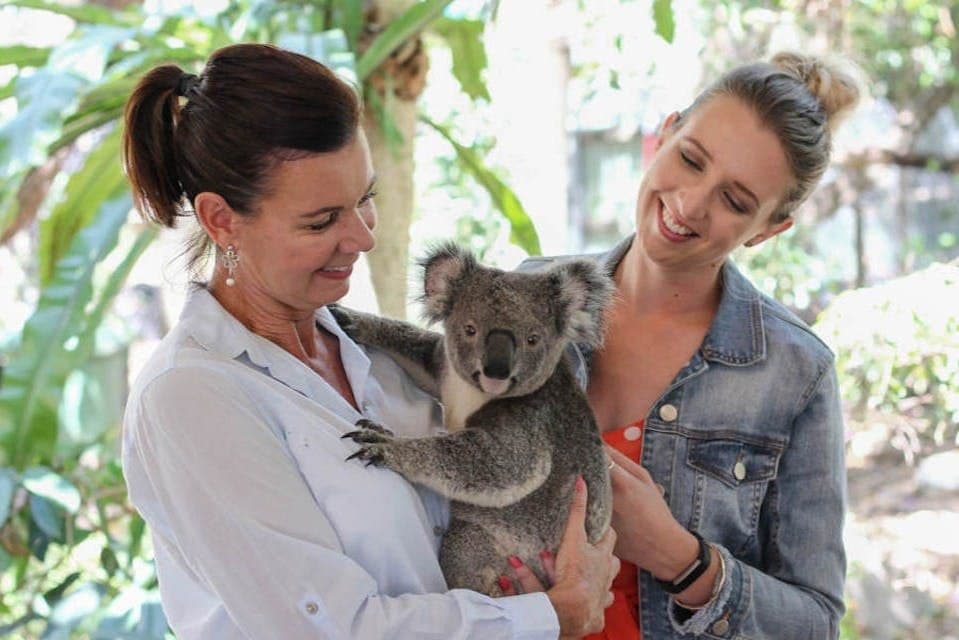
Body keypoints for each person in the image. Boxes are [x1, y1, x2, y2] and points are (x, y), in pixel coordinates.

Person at [119, 43, 618, 640]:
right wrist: (550, 615)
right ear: (222, 219)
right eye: (320, 221)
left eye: (365, 200)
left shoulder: (375, 352)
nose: (361, 237)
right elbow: (330, 629)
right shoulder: (192, 397)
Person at [516, 52, 860, 639]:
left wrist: (683, 559)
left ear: (769, 229)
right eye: (691, 160)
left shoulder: (796, 371)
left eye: (736, 202)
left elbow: (814, 622)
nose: (691, 204)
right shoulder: (526, 296)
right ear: (665, 134)